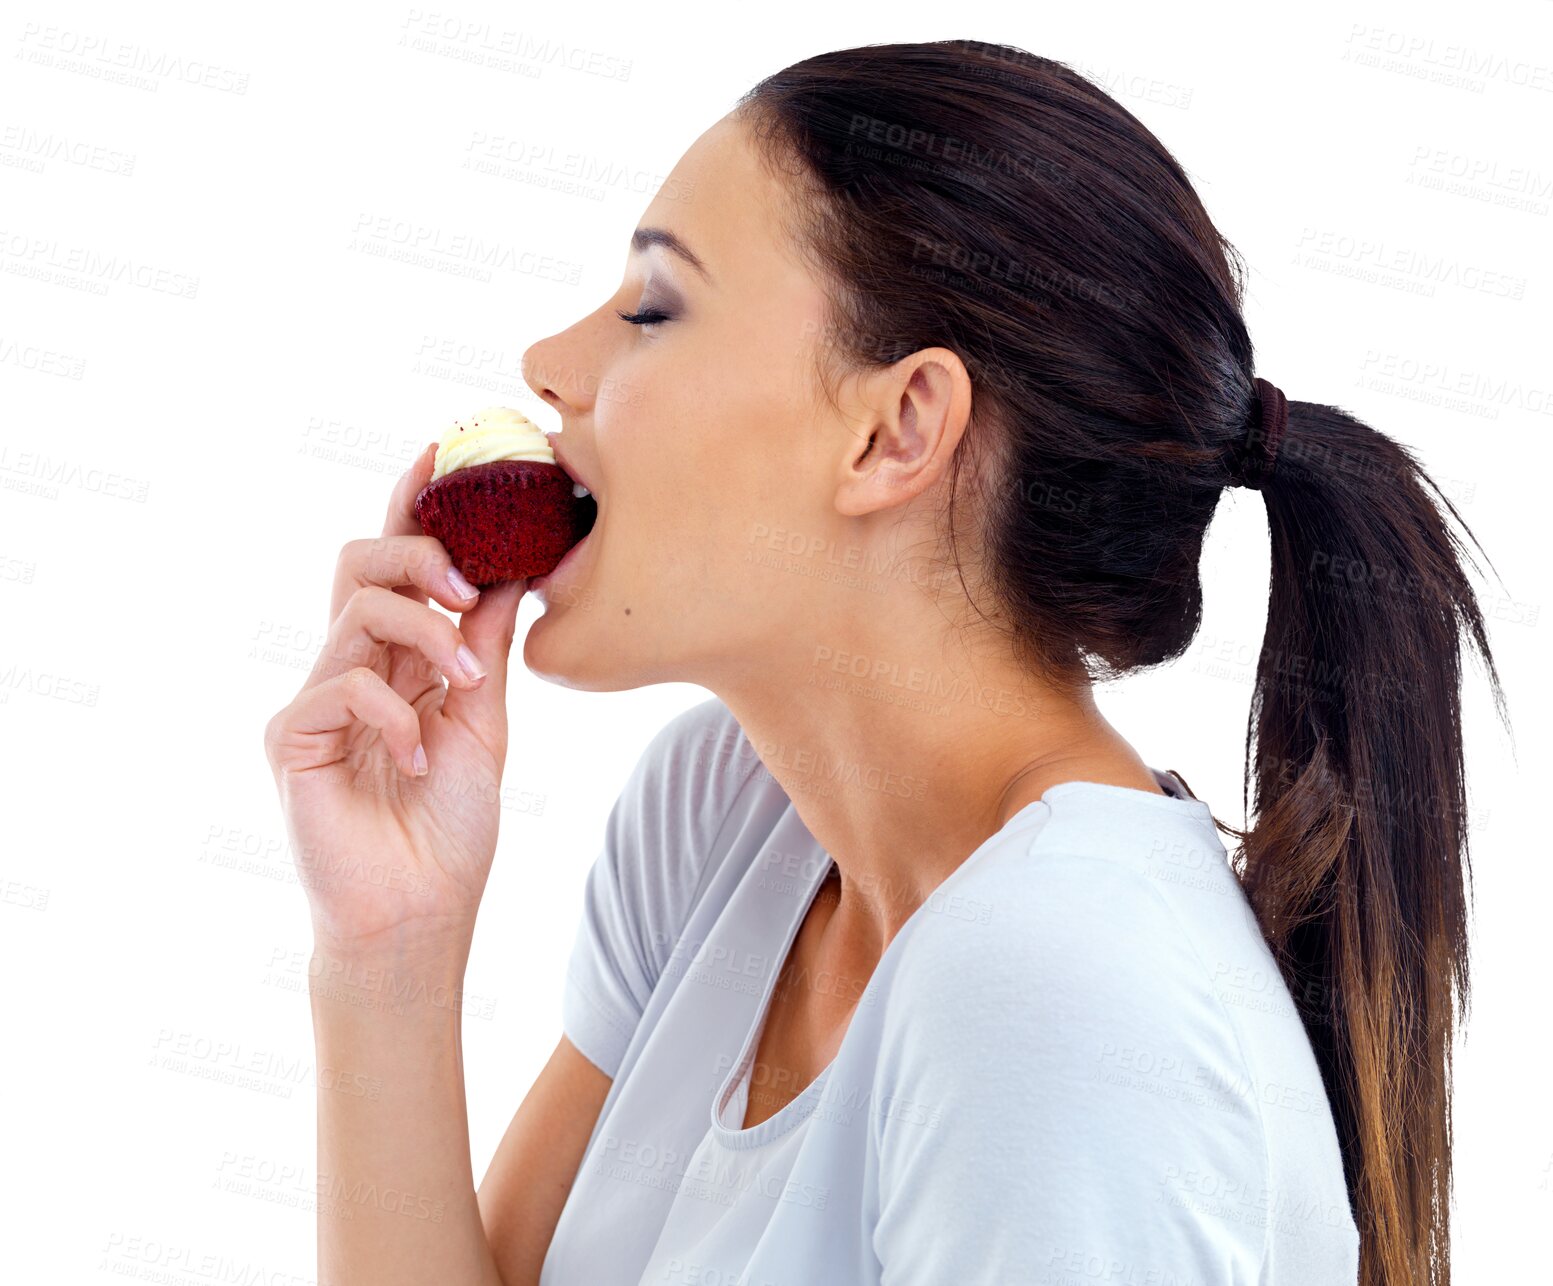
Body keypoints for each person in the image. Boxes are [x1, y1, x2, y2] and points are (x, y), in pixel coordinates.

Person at [262, 40, 1507, 1286]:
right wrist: (387, 952)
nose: (548, 361)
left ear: (896, 429)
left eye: (652, 308)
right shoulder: (720, 818)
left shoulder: (1064, 988)